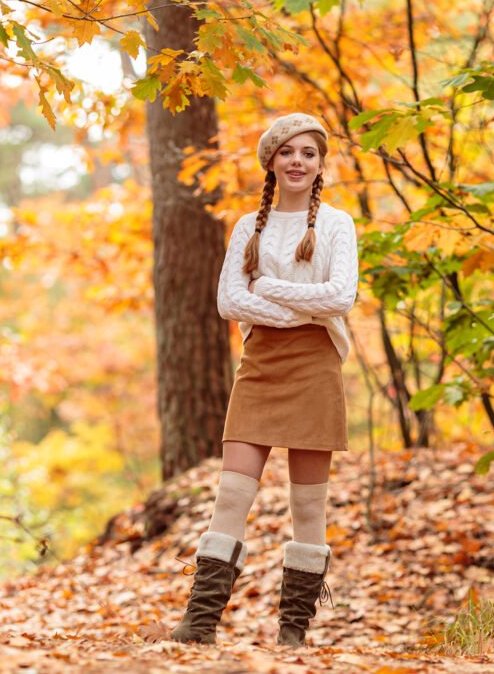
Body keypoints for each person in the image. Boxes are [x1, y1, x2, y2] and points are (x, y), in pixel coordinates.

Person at [169, 112, 359, 647]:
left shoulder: (338, 224)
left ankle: (293, 631)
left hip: (318, 363)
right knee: (231, 494)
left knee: (307, 504)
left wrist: (269, 289)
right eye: (288, 152)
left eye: (309, 153)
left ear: (320, 164)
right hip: (260, 364)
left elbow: (341, 298)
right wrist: (298, 304)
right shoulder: (247, 227)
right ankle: (200, 622)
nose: (298, 161)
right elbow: (230, 301)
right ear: (272, 162)